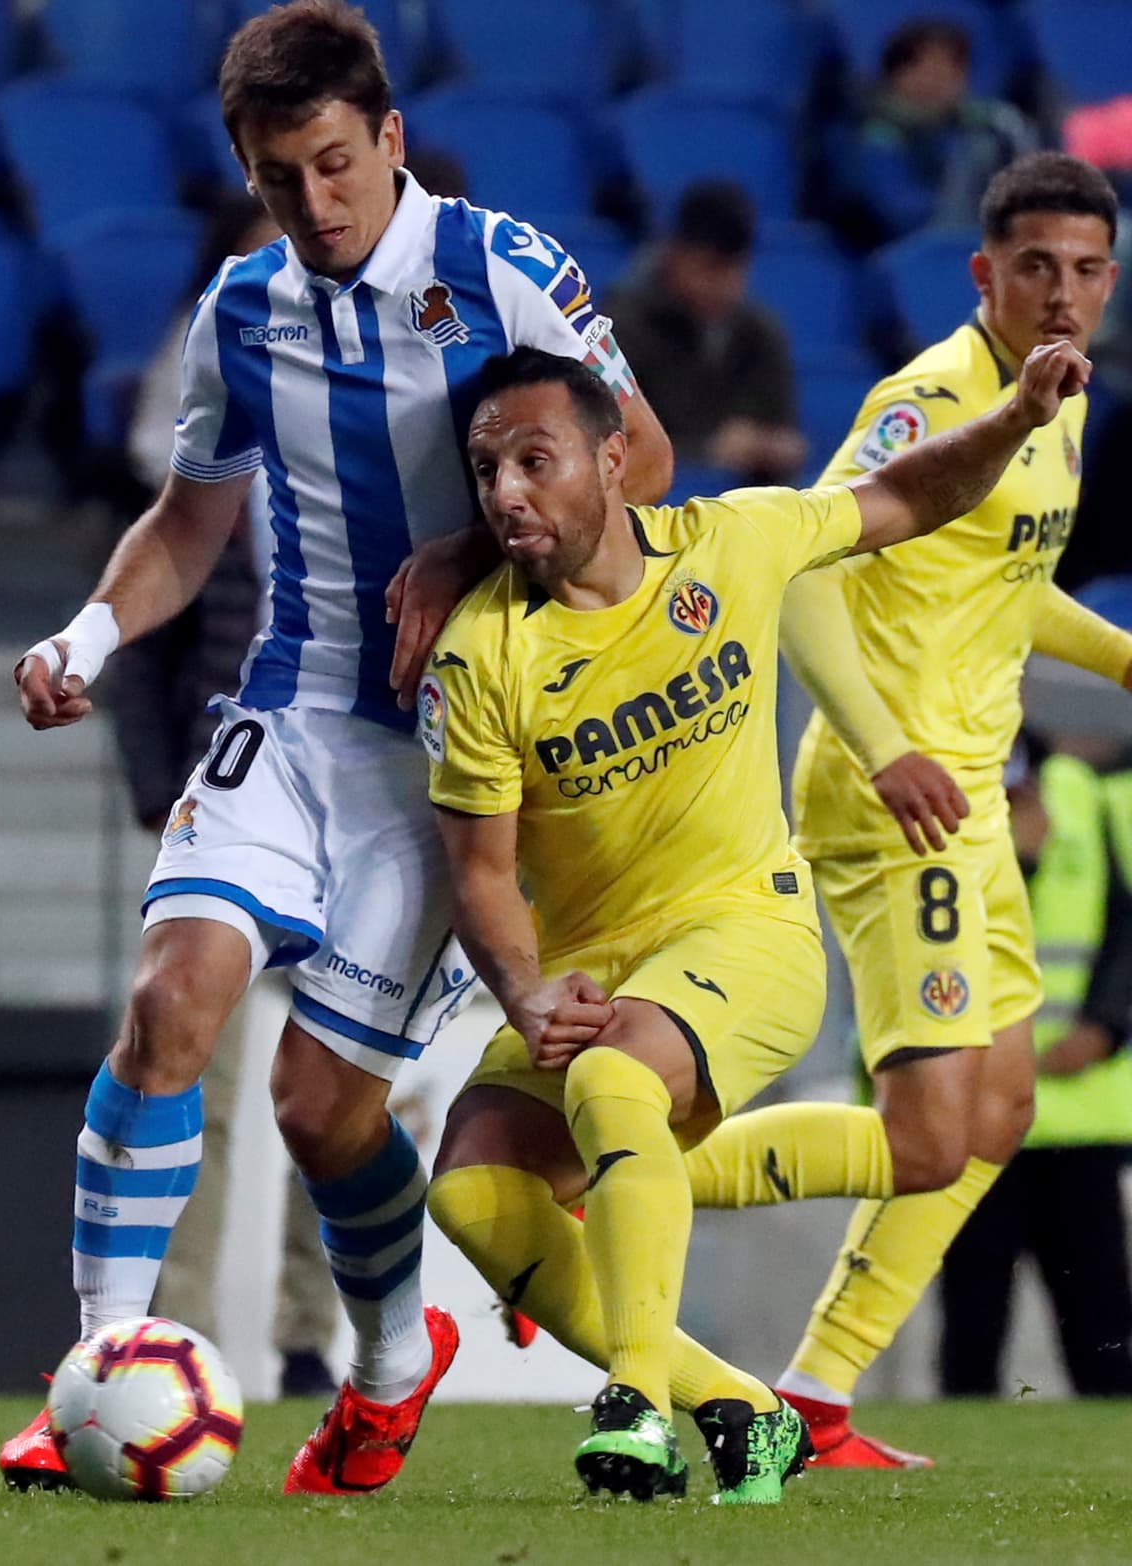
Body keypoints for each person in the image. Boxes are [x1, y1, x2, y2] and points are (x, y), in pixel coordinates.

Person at [0, 0, 672, 1495]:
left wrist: (465, 548)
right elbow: (187, 524)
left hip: (446, 762)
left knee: (320, 1107)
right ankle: (99, 1367)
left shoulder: (502, 270)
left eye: (331, 165)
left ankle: (383, 1358)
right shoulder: (242, 309)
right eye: (275, 177)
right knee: (170, 1003)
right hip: (290, 718)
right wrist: (89, 641)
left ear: (389, 139)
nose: (313, 206)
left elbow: (649, 463)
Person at [422, 338, 1087, 1501]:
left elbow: (907, 493)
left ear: (615, 458)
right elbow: (479, 873)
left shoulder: (732, 541)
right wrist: (525, 993)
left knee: (612, 1083)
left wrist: (1017, 416)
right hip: (591, 961)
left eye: (536, 459)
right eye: (487, 473)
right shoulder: (479, 654)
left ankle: (630, 1402)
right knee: (472, 1191)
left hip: (747, 930)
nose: (507, 494)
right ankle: (737, 1404)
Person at [678, 152, 1132, 1468]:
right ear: (985, 273)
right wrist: (882, 746)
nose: (1061, 293)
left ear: (1110, 283)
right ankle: (631, 1168)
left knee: (997, 1117)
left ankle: (817, 1396)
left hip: (973, 792)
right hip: (898, 795)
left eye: (1086, 270)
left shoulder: (1062, 406)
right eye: (1034, 267)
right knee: (931, 1133)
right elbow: (809, 568)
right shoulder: (930, 396)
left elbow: (999, 582)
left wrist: (1116, 657)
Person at [112, 192, 338, 1400]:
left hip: (355, 807)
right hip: (225, 806)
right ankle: (170, 1334)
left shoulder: (378, 462)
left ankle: (311, 1338)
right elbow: (143, 649)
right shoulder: (198, 475)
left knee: (335, 1085)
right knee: (183, 1066)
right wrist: (160, 788)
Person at [939, 731, 1132, 1397]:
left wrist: (1106, 1027)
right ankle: (961, 1482)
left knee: (1103, 1329)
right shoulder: (927, 778)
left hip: (1078, 1116)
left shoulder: (1082, 791)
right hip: (972, 1112)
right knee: (972, 1326)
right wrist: (1018, 863)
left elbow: (1122, 924)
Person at [601, 181, 806, 486]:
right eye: (710, 268)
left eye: (736, 269)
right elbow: (605, 443)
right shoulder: (621, 326)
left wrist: (771, 448)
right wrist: (706, 450)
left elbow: (782, 431)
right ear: (676, 253)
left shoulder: (759, 332)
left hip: (741, 510)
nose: (725, 284)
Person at [825, 19, 1037, 253]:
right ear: (898, 74)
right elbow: (900, 210)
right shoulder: (875, 135)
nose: (940, 79)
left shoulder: (985, 128)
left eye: (952, 68)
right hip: (900, 256)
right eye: (928, 67)